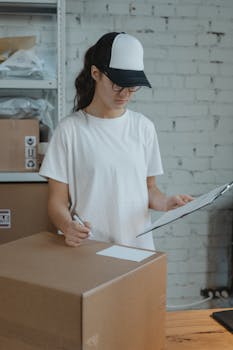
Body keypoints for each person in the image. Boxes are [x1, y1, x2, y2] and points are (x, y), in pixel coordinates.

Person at [39, 32, 193, 249]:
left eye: (132, 87)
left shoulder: (143, 128)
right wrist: (67, 226)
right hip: (90, 250)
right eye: (118, 85)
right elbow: (57, 201)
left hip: (138, 250)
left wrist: (166, 202)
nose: (125, 94)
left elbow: (149, 189)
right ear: (95, 73)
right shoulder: (70, 130)